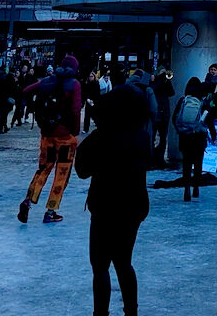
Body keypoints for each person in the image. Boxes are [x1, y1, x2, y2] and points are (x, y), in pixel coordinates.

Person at [75, 81, 151, 316]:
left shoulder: (101, 136)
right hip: (134, 206)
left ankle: (101, 313)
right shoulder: (142, 136)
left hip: (104, 206)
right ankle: (131, 311)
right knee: (124, 263)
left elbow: (82, 170)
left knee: (100, 267)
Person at [18, 53, 82, 224]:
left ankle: (28, 201)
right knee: (61, 174)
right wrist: (74, 131)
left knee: (43, 169)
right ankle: (51, 211)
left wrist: (35, 110)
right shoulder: (74, 84)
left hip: (47, 134)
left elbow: (25, 91)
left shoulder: (47, 80)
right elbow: (76, 110)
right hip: (65, 137)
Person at [172, 77, 215, 202]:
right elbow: (209, 120)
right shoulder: (203, 102)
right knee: (198, 164)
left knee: (186, 164)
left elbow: (175, 118)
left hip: (185, 138)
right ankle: (196, 187)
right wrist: (213, 135)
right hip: (199, 138)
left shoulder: (183, 101)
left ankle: (186, 190)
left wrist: (181, 130)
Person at [152, 69, 175, 163]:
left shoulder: (166, 82)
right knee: (152, 137)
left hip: (164, 114)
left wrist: (167, 81)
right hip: (156, 113)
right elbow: (153, 90)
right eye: (162, 72)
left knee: (163, 138)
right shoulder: (153, 81)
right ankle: (152, 157)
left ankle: (160, 158)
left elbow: (171, 93)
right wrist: (160, 79)